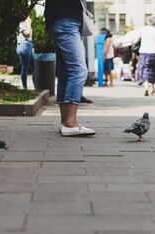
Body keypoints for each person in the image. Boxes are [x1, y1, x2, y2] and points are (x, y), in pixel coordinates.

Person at [45, 0, 96, 136]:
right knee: (79, 70)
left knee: (66, 73)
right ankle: (71, 123)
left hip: (58, 19)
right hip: (67, 21)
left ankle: (65, 122)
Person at [135, 16, 155, 96]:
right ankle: (151, 87)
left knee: (144, 69)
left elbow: (135, 40)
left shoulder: (142, 30)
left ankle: (145, 85)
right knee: (153, 70)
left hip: (144, 53)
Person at [16, 15, 35, 90]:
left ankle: (36, 87)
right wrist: (29, 23)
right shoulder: (22, 23)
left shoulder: (25, 23)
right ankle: (25, 88)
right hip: (24, 45)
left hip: (29, 46)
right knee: (25, 67)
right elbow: (27, 34)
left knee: (34, 67)